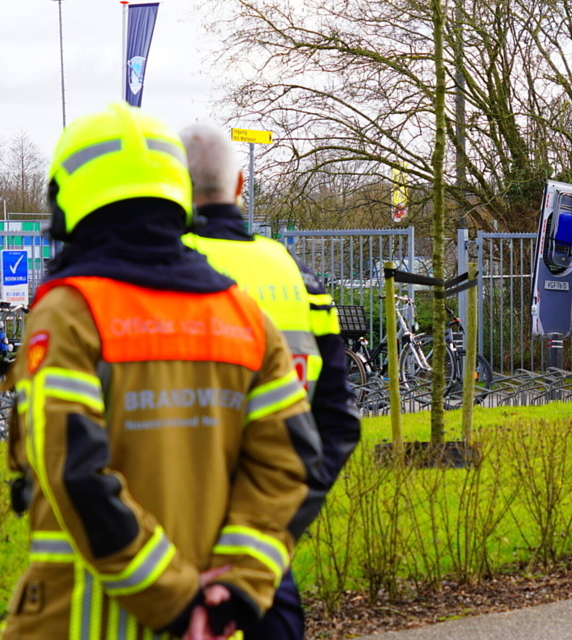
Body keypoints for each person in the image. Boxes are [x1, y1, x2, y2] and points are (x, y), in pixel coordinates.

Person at [1, 102, 326, 640]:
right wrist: (235, 591)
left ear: (69, 199)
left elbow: (75, 472)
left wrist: (175, 600)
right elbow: (291, 465)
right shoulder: (243, 317)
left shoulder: (70, 312)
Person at [179, 123, 361, 640]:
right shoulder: (297, 276)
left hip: (174, 545)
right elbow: (339, 423)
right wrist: (277, 530)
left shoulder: (162, 275)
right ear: (238, 185)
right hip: (265, 554)